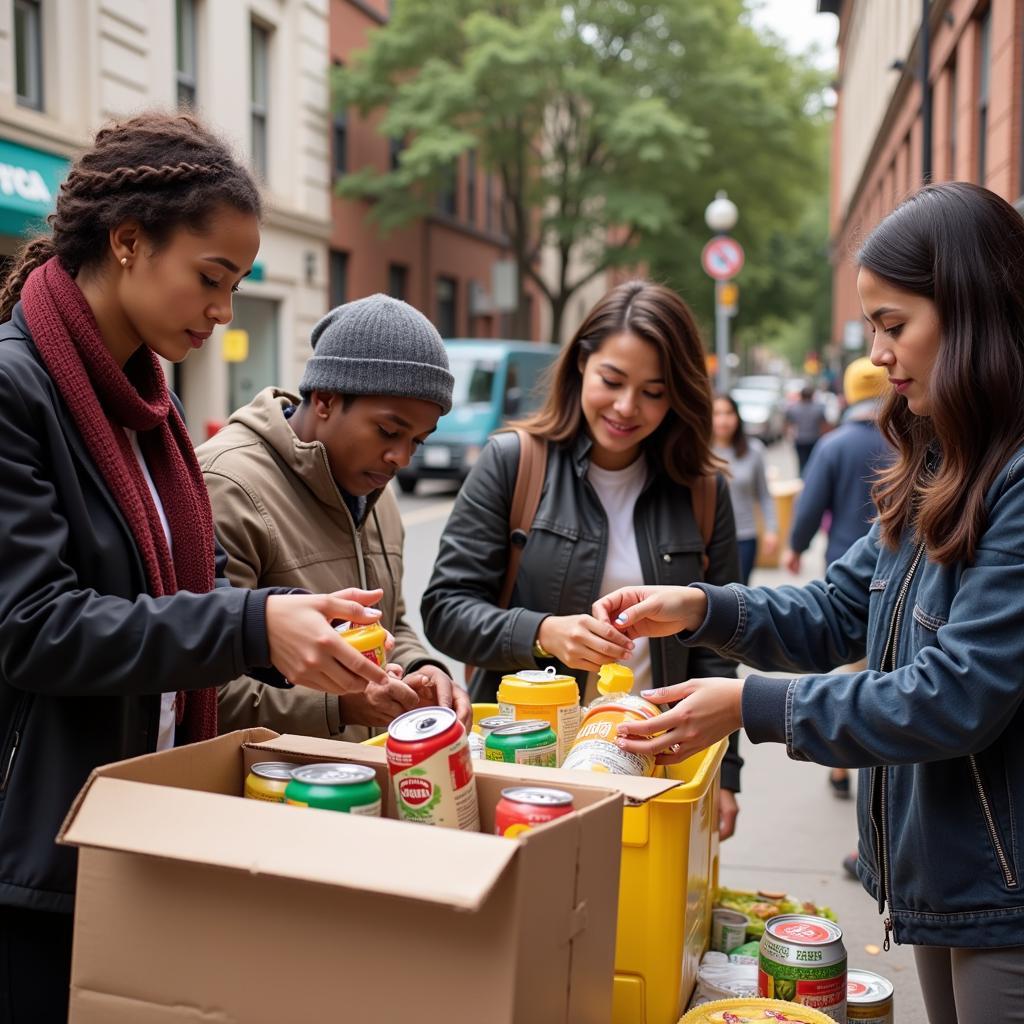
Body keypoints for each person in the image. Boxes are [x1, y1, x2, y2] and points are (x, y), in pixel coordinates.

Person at [594, 183, 1024, 1022]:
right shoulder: (943, 461)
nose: (877, 352)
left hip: (1002, 889)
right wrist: (700, 608)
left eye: (895, 325)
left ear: (972, 313)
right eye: (872, 327)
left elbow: (958, 694)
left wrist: (749, 704)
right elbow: (835, 609)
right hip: (944, 876)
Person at [0, 112, 389, 1023]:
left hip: (146, 819)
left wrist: (293, 621)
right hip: (37, 851)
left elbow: (196, 590)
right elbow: (35, 627)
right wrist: (253, 625)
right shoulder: (18, 390)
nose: (222, 312)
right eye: (211, 280)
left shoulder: (152, 408)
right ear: (128, 242)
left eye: (238, 284)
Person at [422, 280, 745, 838]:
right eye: (612, 381)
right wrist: (544, 633)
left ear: (678, 396)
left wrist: (727, 776)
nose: (626, 407)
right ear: (579, 367)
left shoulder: (704, 492)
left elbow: (717, 650)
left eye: (653, 391)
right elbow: (445, 610)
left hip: (654, 768)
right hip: (522, 766)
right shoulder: (513, 463)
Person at [198, 294, 471, 738]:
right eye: (388, 431)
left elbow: (390, 623)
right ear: (324, 399)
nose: (400, 457)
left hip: (359, 780)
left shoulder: (376, 486)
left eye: (418, 441)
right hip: (263, 792)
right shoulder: (226, 484)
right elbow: (202, 691)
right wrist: (339, 706)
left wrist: (425, 669)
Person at [783, 356, 891, 801]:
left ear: (847, 394)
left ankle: (845, 770)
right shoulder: (909, 441)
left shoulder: (833, 445)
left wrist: (796, 545)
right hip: (902, 570)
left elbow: (811, 503)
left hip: (848, 565)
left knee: (854, 670)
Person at [712, 393, 777, 585]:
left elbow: (764, 494)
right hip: (707, 539)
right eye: (717, 413)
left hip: (744, 538)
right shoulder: (699, 450)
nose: (723, 420)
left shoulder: (753, 450)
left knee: (737, 597)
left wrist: (771, 530)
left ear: (737, 417)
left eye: (728, 413)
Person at [785, 385, 828, 475]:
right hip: (814, 439)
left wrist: (790, 436)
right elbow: (824, 426)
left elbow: (788, 425)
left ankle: (802, 482)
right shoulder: (819, 408)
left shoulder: (794, 409)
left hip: (800, 440)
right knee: (814, 464)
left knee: (801, 464)